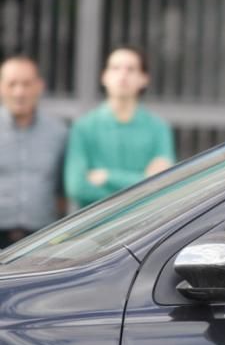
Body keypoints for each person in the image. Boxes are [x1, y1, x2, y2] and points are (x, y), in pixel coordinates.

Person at [63, 46, 175, 209]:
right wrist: (142, 181)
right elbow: (76, 188)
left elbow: (163, 185)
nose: (123, 75)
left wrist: (108, 177)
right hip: (94, 226)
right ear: (104, 76)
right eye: (115, 68)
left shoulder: (158, 128)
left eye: (130, 69)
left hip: (145, 227)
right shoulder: (83, 127)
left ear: (144, 78)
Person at [0, 55, 68, 249]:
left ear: (39, 86)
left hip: (42, 240)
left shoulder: (58, 132)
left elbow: (62, 191)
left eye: (26, 84)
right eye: (12, 84)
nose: (19, 92)